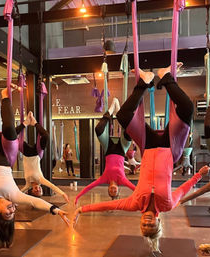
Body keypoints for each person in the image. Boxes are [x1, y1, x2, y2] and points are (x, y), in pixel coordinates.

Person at [73, 64, 209, 253]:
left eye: (144, 227)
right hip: (171, 147)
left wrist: (82, 209)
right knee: (186, 108)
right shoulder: (167, 204)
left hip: (149, 146)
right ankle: (166, 76)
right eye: (151, 225)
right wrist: (198, 176)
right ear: (158, 221)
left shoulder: (135, 203)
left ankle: (144, 82)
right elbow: (183, 190)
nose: (147, 223)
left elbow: (109, 204)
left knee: (123, 116)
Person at [0, 86, 69, 252]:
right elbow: (34, 201)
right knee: (10, 132)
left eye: (8, 212)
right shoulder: (14, 195)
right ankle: (6, 96)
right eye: (13, 212)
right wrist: (54, 210)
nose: (13, 209)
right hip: (7, 155)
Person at [75, 98, 135, 205]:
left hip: (109, 149)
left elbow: (89, 187)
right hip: (122, 149)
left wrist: (77, 197)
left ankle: (111, 110)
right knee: (129, 130)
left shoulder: (104, 179)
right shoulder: (122, 181)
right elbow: (136, 189)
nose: (113, 190)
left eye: (111, 192)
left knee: (98, 129)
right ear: (117, 189)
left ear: (108, 189)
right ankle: (120, 113)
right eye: (115, 191)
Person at [16, 111, 69, 203]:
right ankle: (34, 123)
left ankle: (25, 123)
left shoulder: (28, 184)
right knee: (46, 136)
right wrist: (63, 194)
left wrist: (13, 201)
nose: (38, 190)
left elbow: (19, 193)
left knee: (11, 137)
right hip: (36, 153)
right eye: (40, 191)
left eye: (36, 192)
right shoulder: (41, 179)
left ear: (31, 191)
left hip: (26, 153)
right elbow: (52, 186)